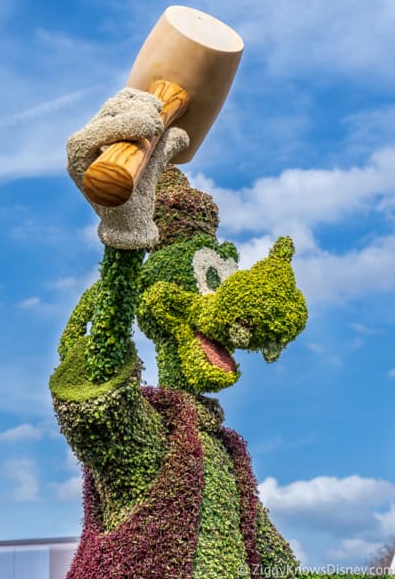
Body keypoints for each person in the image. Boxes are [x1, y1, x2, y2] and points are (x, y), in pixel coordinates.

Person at [50, 88, 307, 578]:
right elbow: (96, 399)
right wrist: (125, 245)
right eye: (209, 281)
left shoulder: (225, 454)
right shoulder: (156, 434)